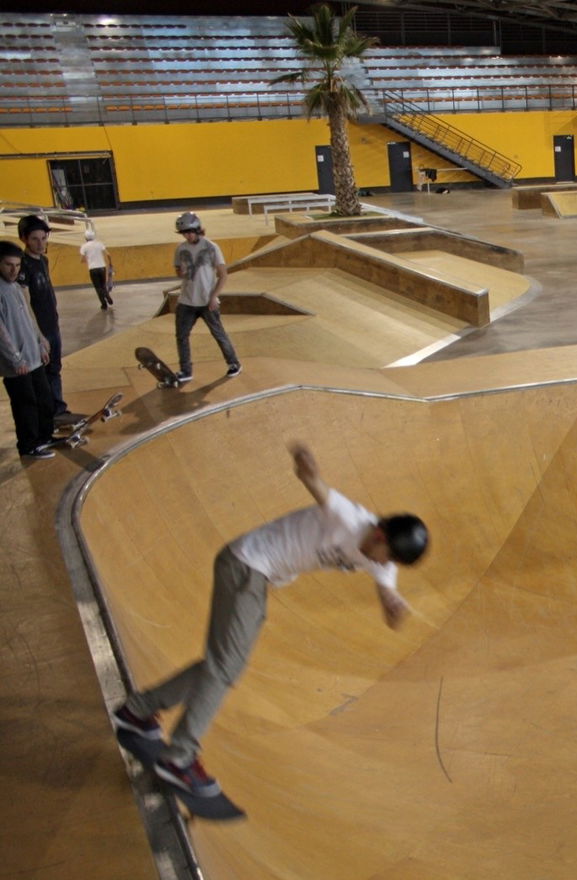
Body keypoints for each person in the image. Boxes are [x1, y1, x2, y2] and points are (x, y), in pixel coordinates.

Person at [112, 442, 429, 797]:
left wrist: (392, 603)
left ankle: (138, 711)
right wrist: (306, 467)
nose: (387, 565)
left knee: (222, 665)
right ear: (379, 535)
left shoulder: (381, 559)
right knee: (225, 667)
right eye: (389, 557)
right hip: (246, 566)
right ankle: (179, 758)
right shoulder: (350, 519)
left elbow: (386, 588)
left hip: (255, 578)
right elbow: (319, 489)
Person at [16, 215, 81, 427]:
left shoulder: (43, 260)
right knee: (42, 375)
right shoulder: (23, 266)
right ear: (24, 239)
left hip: (52, 325)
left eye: (44, 239)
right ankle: (48, 416)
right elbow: (25, 305)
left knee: (54, 369)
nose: (41, 244)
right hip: (39, 330)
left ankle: (58, 411)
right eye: (35, 239)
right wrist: (38, 336)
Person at [0, 239, 56, 460]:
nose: (14, 270)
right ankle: (29, 445)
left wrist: (39, 342)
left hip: (32, 356)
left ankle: (45, 437)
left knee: (43, 399)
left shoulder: (14, 287)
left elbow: (27, 319)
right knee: (26, 405)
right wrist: (15, 360)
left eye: (17, 265)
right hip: (18, 364)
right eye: (8, 265)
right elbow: (2, 332)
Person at [172, 211, 241, 383]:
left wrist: (213, 297)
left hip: (206, 301)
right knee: (181, 336)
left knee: (218, 334)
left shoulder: (211, 247)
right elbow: (178, 271)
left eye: (189, 232)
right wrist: (182, 272)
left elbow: (223, 275)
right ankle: (185, 370)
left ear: (197, 229)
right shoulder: (180, 249)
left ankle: (234, 363)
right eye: (184, 234)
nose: (187, 236)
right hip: (186, 301)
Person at [79, 224, 113, 310]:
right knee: (103, 285)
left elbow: (82, 260)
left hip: (93, 269)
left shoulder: (84, 246)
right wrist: (110, 263)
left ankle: (104, 304)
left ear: (85, 238)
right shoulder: (99, 244)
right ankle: (108, 296)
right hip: (102, 267)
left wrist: (88, 259)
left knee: (97, 287)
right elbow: (108, 254)